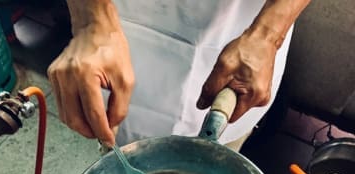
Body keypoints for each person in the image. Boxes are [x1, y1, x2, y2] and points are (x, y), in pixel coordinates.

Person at [48, 0, 311, 150]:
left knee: (217, 168)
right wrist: (90, 20)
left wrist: (267, 36)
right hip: (122, 28)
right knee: (117, 161)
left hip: (241, 34)